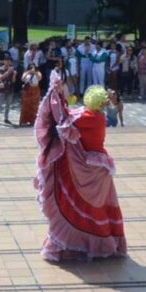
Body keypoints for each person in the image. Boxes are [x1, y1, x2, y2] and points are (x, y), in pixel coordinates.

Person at [33, 82, 127, 262]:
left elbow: (64, 121)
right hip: (99, 167)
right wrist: (59, 97)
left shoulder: (92, 117)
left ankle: (83, 243)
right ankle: (94, 242)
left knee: (84, 207)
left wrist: (57, 98)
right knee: (96, 209)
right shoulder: (94, 114)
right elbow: (70, 115)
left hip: (91, 169)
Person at [0, 55, 17, 124]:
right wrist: (8, 71)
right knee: (0, 104)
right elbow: (0, 78)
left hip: (10, 89)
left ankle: (6, 118)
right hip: (2, 90)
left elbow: (13, 81)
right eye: (6, 60)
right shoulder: (0, 69)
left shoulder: (12, 69)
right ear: (4, 61)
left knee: (8, 105)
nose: (8, 62)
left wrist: (14, 75)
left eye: (9, 60)